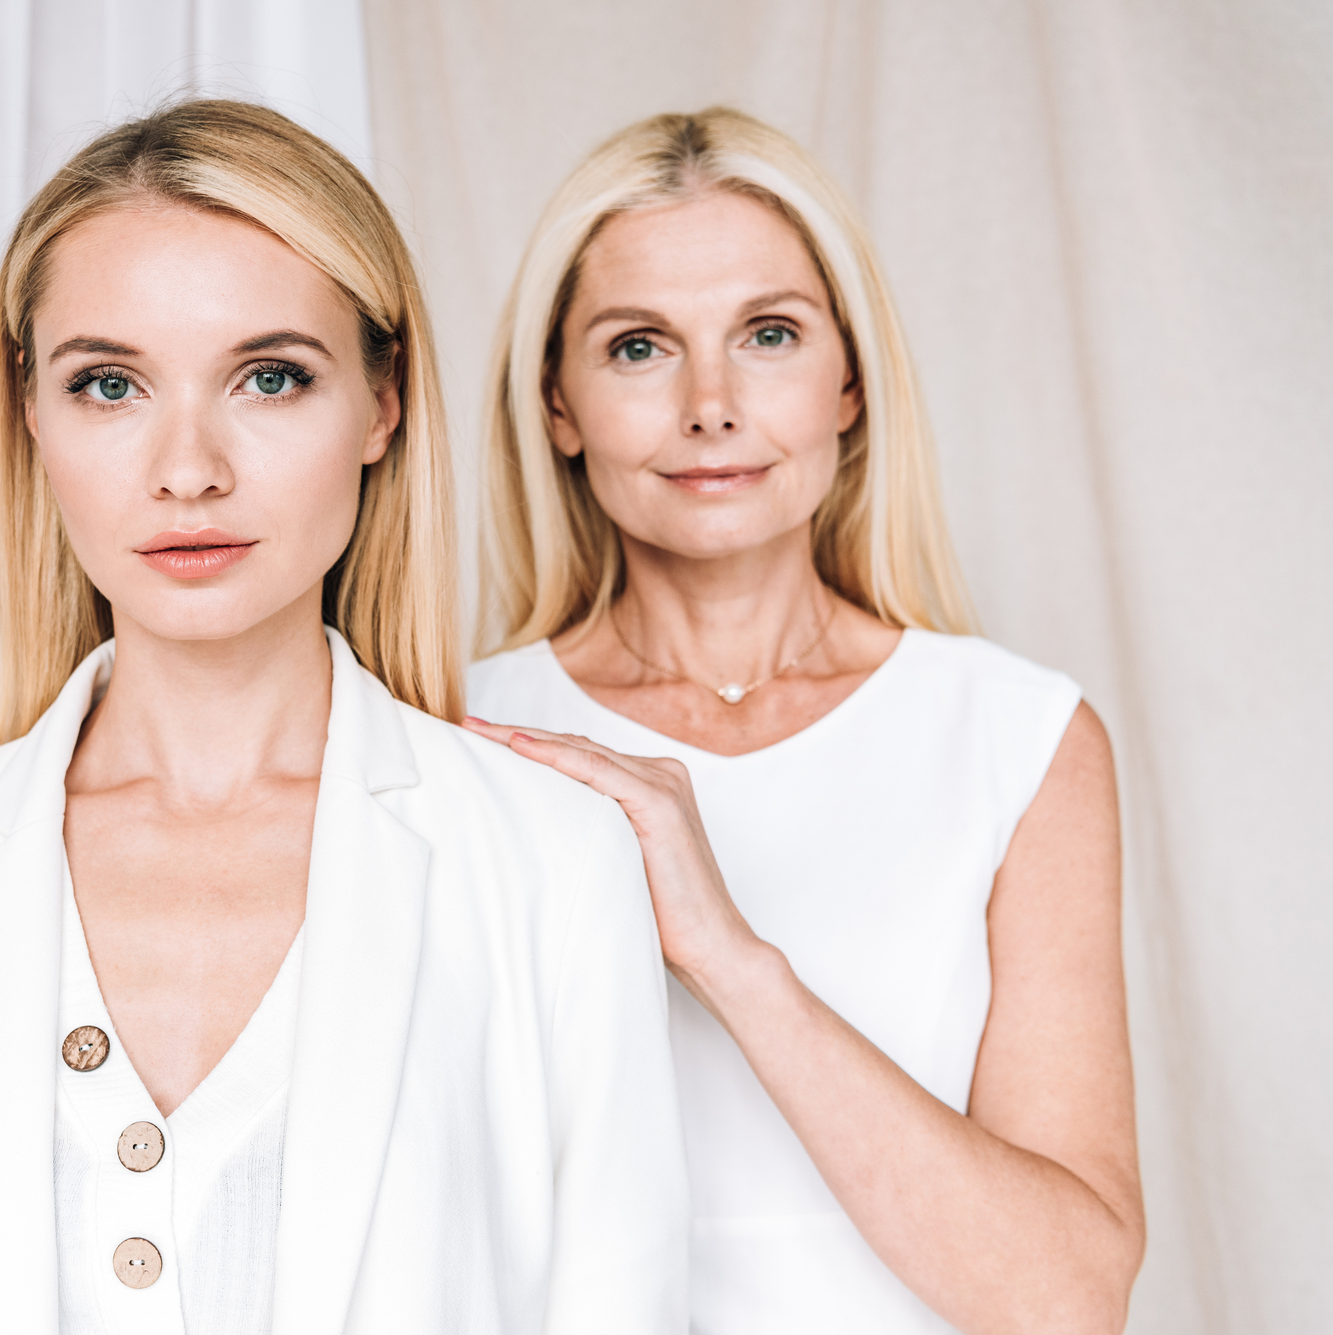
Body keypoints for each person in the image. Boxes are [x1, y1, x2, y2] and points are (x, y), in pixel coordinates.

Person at [0, 100, 686, 1335]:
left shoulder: (549, 863)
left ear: (380, 405)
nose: (187, 467)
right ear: (30, 417)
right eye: (109, 384)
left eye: (268, 378)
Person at [465, 108, 1143, 1335]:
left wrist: (728, 957)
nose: (709, 404)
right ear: (556, 403)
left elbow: (1067, 1298)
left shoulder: (1020, 742)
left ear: (848, 382)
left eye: (766, 334)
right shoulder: (455, 738)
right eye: (636, 347)